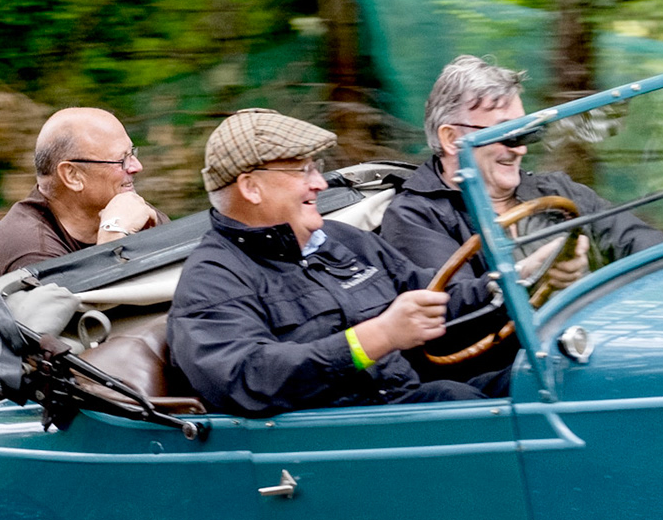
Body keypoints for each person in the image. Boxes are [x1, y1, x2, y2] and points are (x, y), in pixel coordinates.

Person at [168, 108, 510, 416]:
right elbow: (249, 378)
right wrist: (379, 335)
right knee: (465, 405)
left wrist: (512, 283)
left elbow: (431, 295)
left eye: (316, 168)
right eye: (303, 170)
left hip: (407, 402)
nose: (319, 183)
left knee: (532, 380)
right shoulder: (212, 278)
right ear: (251, 187)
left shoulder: (343, 239)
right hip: (337, 437)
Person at [379, 57, 663, 370]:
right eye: (506, 133)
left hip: (602, 348)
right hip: (509, 376)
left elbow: (642, 242)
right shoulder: (414, 215)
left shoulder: (558, 190)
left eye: (526, 133)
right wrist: (528, 276)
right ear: (452, 139)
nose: (520, 149)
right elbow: (450, 317)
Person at [0, 107, 163, 408]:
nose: (137, 166)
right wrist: (113, 237)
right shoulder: (32, 250)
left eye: (133, 153)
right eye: (121, 160)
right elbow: (90, 353)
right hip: (12, 416)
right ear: (72, 176)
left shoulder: (120, 212)